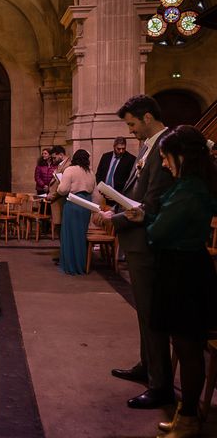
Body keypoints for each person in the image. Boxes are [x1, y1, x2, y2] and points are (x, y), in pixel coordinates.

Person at [124, 125, 217, 437]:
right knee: (182, 343)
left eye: (166, 158)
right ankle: (185, 414)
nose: (163, 164)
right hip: (178, 268)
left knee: (189, 349)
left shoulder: (191, 189)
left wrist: (149, 223)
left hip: (185, 273)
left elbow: (159, 233)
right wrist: (147, 217)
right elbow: (160, 221)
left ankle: (189, 417)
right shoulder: (185, 185)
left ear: (182, 156)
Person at [94, 94, 175, 409]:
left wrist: (114, 218)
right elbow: (136, 191)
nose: (130, 132)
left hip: (146, 243)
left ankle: (160, 384)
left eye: (132, 124)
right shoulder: (148, 147)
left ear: (148, 118)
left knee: (152, 315)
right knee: (144, 313)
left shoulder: (164, 146)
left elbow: (151, 201)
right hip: (137, 240)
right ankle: (147, 365)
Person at [55, 149, 96, 274]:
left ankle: (71, 266)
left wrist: (59, 184)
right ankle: (81, 265)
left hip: (73, 203)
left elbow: (62, 190)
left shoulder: (70, 170)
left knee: (70, 235)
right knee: (80, 235)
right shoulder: (90, 172)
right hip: (86, 205)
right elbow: (94, 190)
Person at [47, 145, 71, 235]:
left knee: (62, 230)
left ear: (61, 155)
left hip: (61, 201)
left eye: (54, 158)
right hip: (57, 201)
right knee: (59, 229)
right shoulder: (61, 165)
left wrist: (52, 196)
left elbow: (64, 187)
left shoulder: (67, 166)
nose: (53, 161)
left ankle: (65, 249)